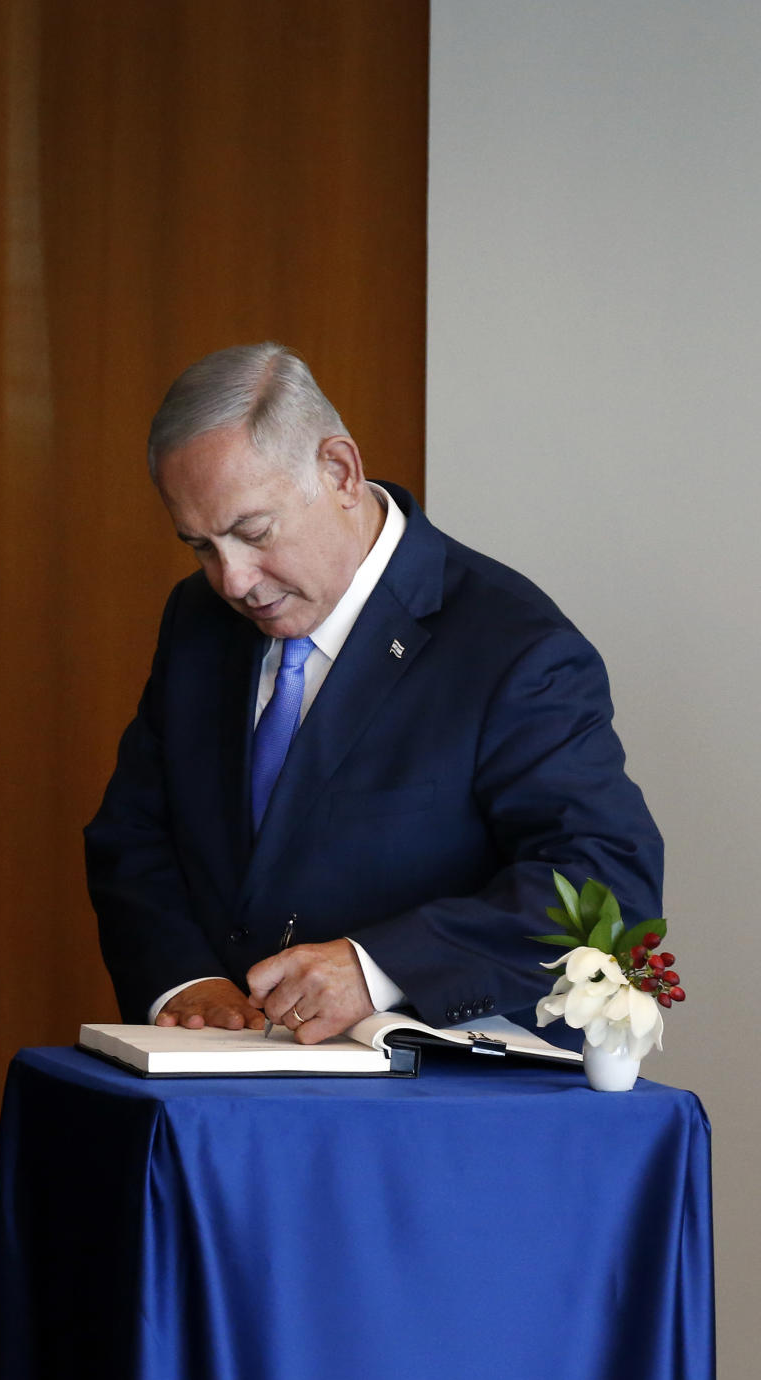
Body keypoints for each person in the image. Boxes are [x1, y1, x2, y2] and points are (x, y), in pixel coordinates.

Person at [84, 342, 662, 1045]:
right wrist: (186, 980)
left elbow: (605, 885)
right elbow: (133, 835)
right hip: (222, 1096)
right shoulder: (197, 620)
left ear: (339, 471)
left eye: (253, 532)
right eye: (201, 547)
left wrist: (380, 967)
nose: (232, 581)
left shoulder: (514, 646)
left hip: (429, 1112)